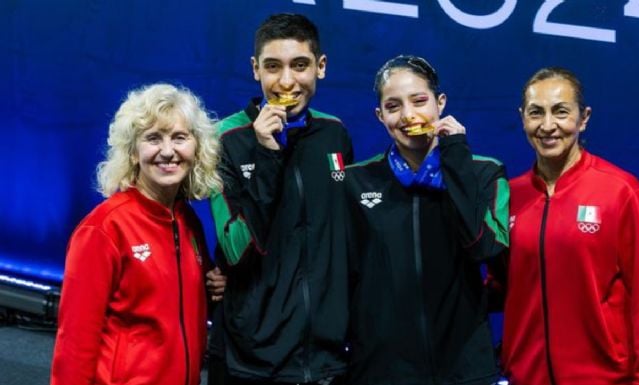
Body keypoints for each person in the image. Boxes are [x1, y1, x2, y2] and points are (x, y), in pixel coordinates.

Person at [342, 55, 509, 385]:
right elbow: (340, 274)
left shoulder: (483, 171)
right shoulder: (356, 181)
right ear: (380, 115)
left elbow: (483, 247)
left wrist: (456, 161)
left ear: (440, 102)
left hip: (463, 369)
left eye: (419, 101)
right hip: (380, 371)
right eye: (393, 106)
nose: (408, 116)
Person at [207, 13, 354, 385]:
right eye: (273, 67)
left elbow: (345, 235)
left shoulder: (335, 134)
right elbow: (237, 250)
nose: (286, 81)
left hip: (325, 358)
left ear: (320, 67)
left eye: (300, 65)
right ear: (255, 69)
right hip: (250, 359)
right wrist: (266, 155)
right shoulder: (224, 139)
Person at [501, 67, 639, 384]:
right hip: (526, 377)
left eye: (561, 112)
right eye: (536, 113)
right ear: (523, 117)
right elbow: (501, 288)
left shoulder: (622, 192)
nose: (548, 126)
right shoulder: (509, 195)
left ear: (584, 118)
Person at [50, 84, 221, 385]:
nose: (168, 151)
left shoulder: (187, 220)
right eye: (153, 138)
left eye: (179, 138)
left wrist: (217, 285)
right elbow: (74, 344)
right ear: (132, 153)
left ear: (195, 149)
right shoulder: (103, 229)